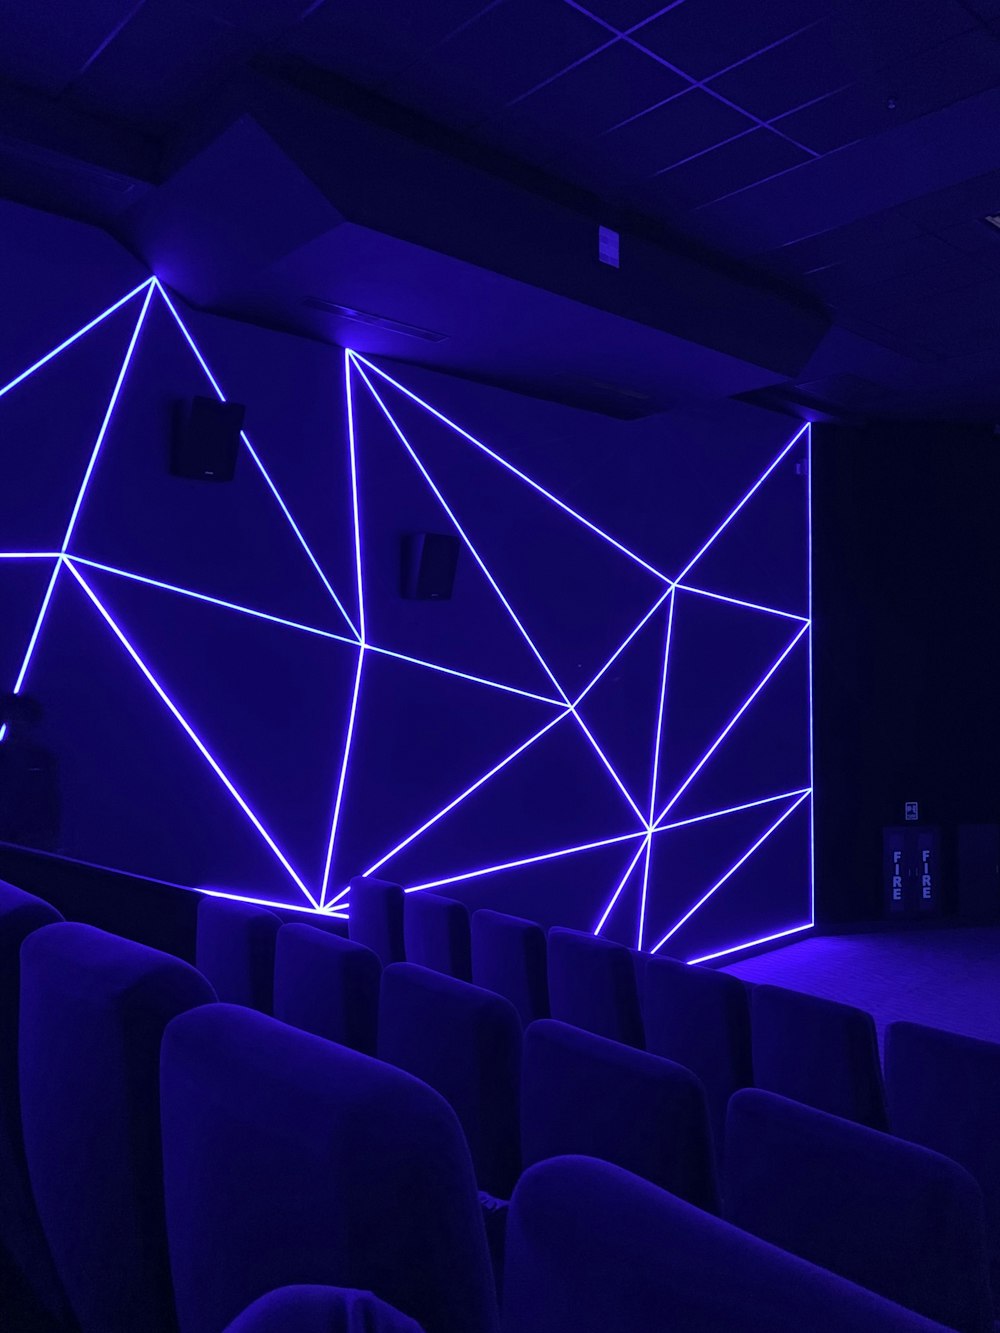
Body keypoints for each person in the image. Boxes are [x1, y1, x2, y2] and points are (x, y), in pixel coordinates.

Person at [0, 692, 60, 852]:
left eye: (23, 718)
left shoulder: (43, 760)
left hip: (30, 844)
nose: (18, 723)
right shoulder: (42, 759)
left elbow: (50, 803)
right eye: (14, 717)